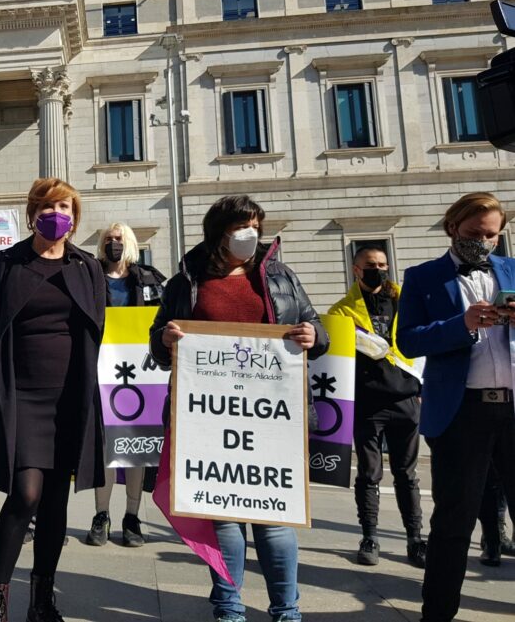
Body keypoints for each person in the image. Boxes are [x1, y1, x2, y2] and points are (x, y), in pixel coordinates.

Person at [149, 194, 328, 622]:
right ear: (220, 231)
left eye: (257, 227)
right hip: (209, 418)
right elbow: (157, 342)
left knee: (274, 518)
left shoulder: (281, 276)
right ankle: (229, 607)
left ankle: (287, 610)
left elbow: (318, 332)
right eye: (242, 227)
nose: (252, 235)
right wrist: (166, 340)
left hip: (272, 418)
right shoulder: (185, 281)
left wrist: (311, 335)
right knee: (223, 516)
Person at [0, 177, 106, 622]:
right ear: (34, 212)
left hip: (70, 396)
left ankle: (42, 598)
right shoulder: (7, 264)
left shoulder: (86, 267)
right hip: (21, 392)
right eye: (51, 206)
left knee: (55, 502)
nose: (59, 214)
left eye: (67, 207)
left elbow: (98, 328)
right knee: (25, 493)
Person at [396, 192, 515, 622]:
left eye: (492, 235)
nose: (483, 243)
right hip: (462, 412)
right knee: (453, 522)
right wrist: (460, 325)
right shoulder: (422, 276)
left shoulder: (513, 270)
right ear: (453, 228)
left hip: (513, 409)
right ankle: (438, 614)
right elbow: (407, 340)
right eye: (474, 234)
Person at [328, 246, 425, 568]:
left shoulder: (406, 302)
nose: (378, 270)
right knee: (369, 475)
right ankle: (369, 536)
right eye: (371, 265)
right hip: (368, 403)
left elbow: (421, 346)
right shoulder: (342, 311)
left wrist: (423, 388)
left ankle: (415, 538)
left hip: (406, 399)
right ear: (356, 269)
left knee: (407, 475)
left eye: (383, 264)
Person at [86, 222, 166, 548]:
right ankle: (101, 515)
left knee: (138, 447)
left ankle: (132, 516)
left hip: (142, 375)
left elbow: (166, 319)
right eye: (108, 239)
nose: (113, 244)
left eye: (119, 239)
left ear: (130, 243)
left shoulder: (150, 279)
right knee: (105, 447)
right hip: (100, 373)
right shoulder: (90, 277)